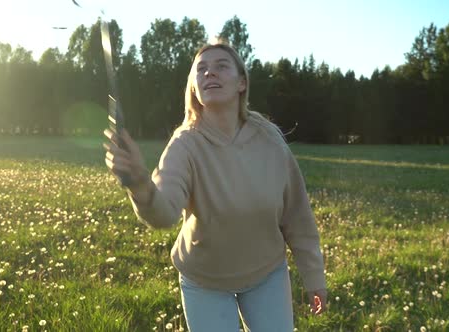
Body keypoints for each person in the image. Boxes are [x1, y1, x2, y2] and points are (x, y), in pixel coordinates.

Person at [103, 42, 327, 331]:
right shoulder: (184, 144)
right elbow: (164, 213)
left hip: (267, 273)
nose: (210, 72)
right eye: (201, 69)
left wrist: (314, 278)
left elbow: (298, 216)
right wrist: (140, 184)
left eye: (221, 66)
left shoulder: (270, 140)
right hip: (204, 281)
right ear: (194, 88)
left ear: (241, 83)